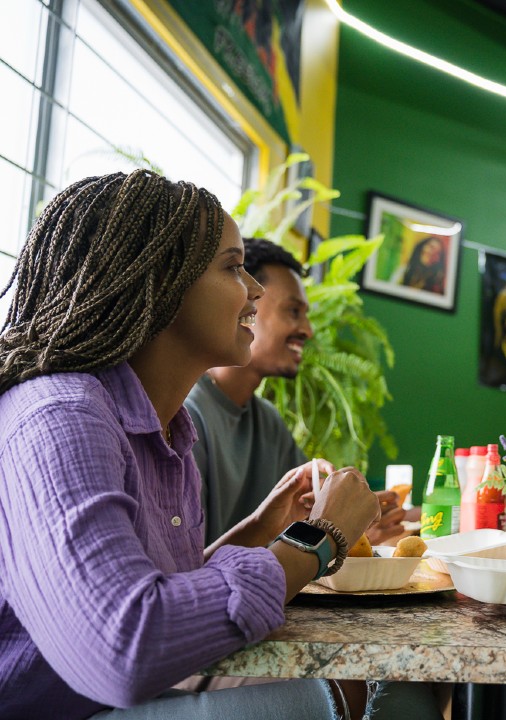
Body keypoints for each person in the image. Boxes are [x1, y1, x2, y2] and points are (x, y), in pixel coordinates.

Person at [0, 170, 437, 719]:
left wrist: (263, 528)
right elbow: (127, 646)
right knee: (314, 702)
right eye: (234, 268)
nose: (255, 290)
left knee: (400, 687)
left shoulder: (169, 430)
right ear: (159, 283)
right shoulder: (59, 416)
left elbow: (164, 595)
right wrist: (317, 538)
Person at [184, 238, 405, 547]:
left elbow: (303, 523)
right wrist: (332, 537)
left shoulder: (268, 422)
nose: (308, 330)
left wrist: (354, 524)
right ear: (244, 301)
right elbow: (189, 567)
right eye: (293, 311)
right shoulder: (185, 419)